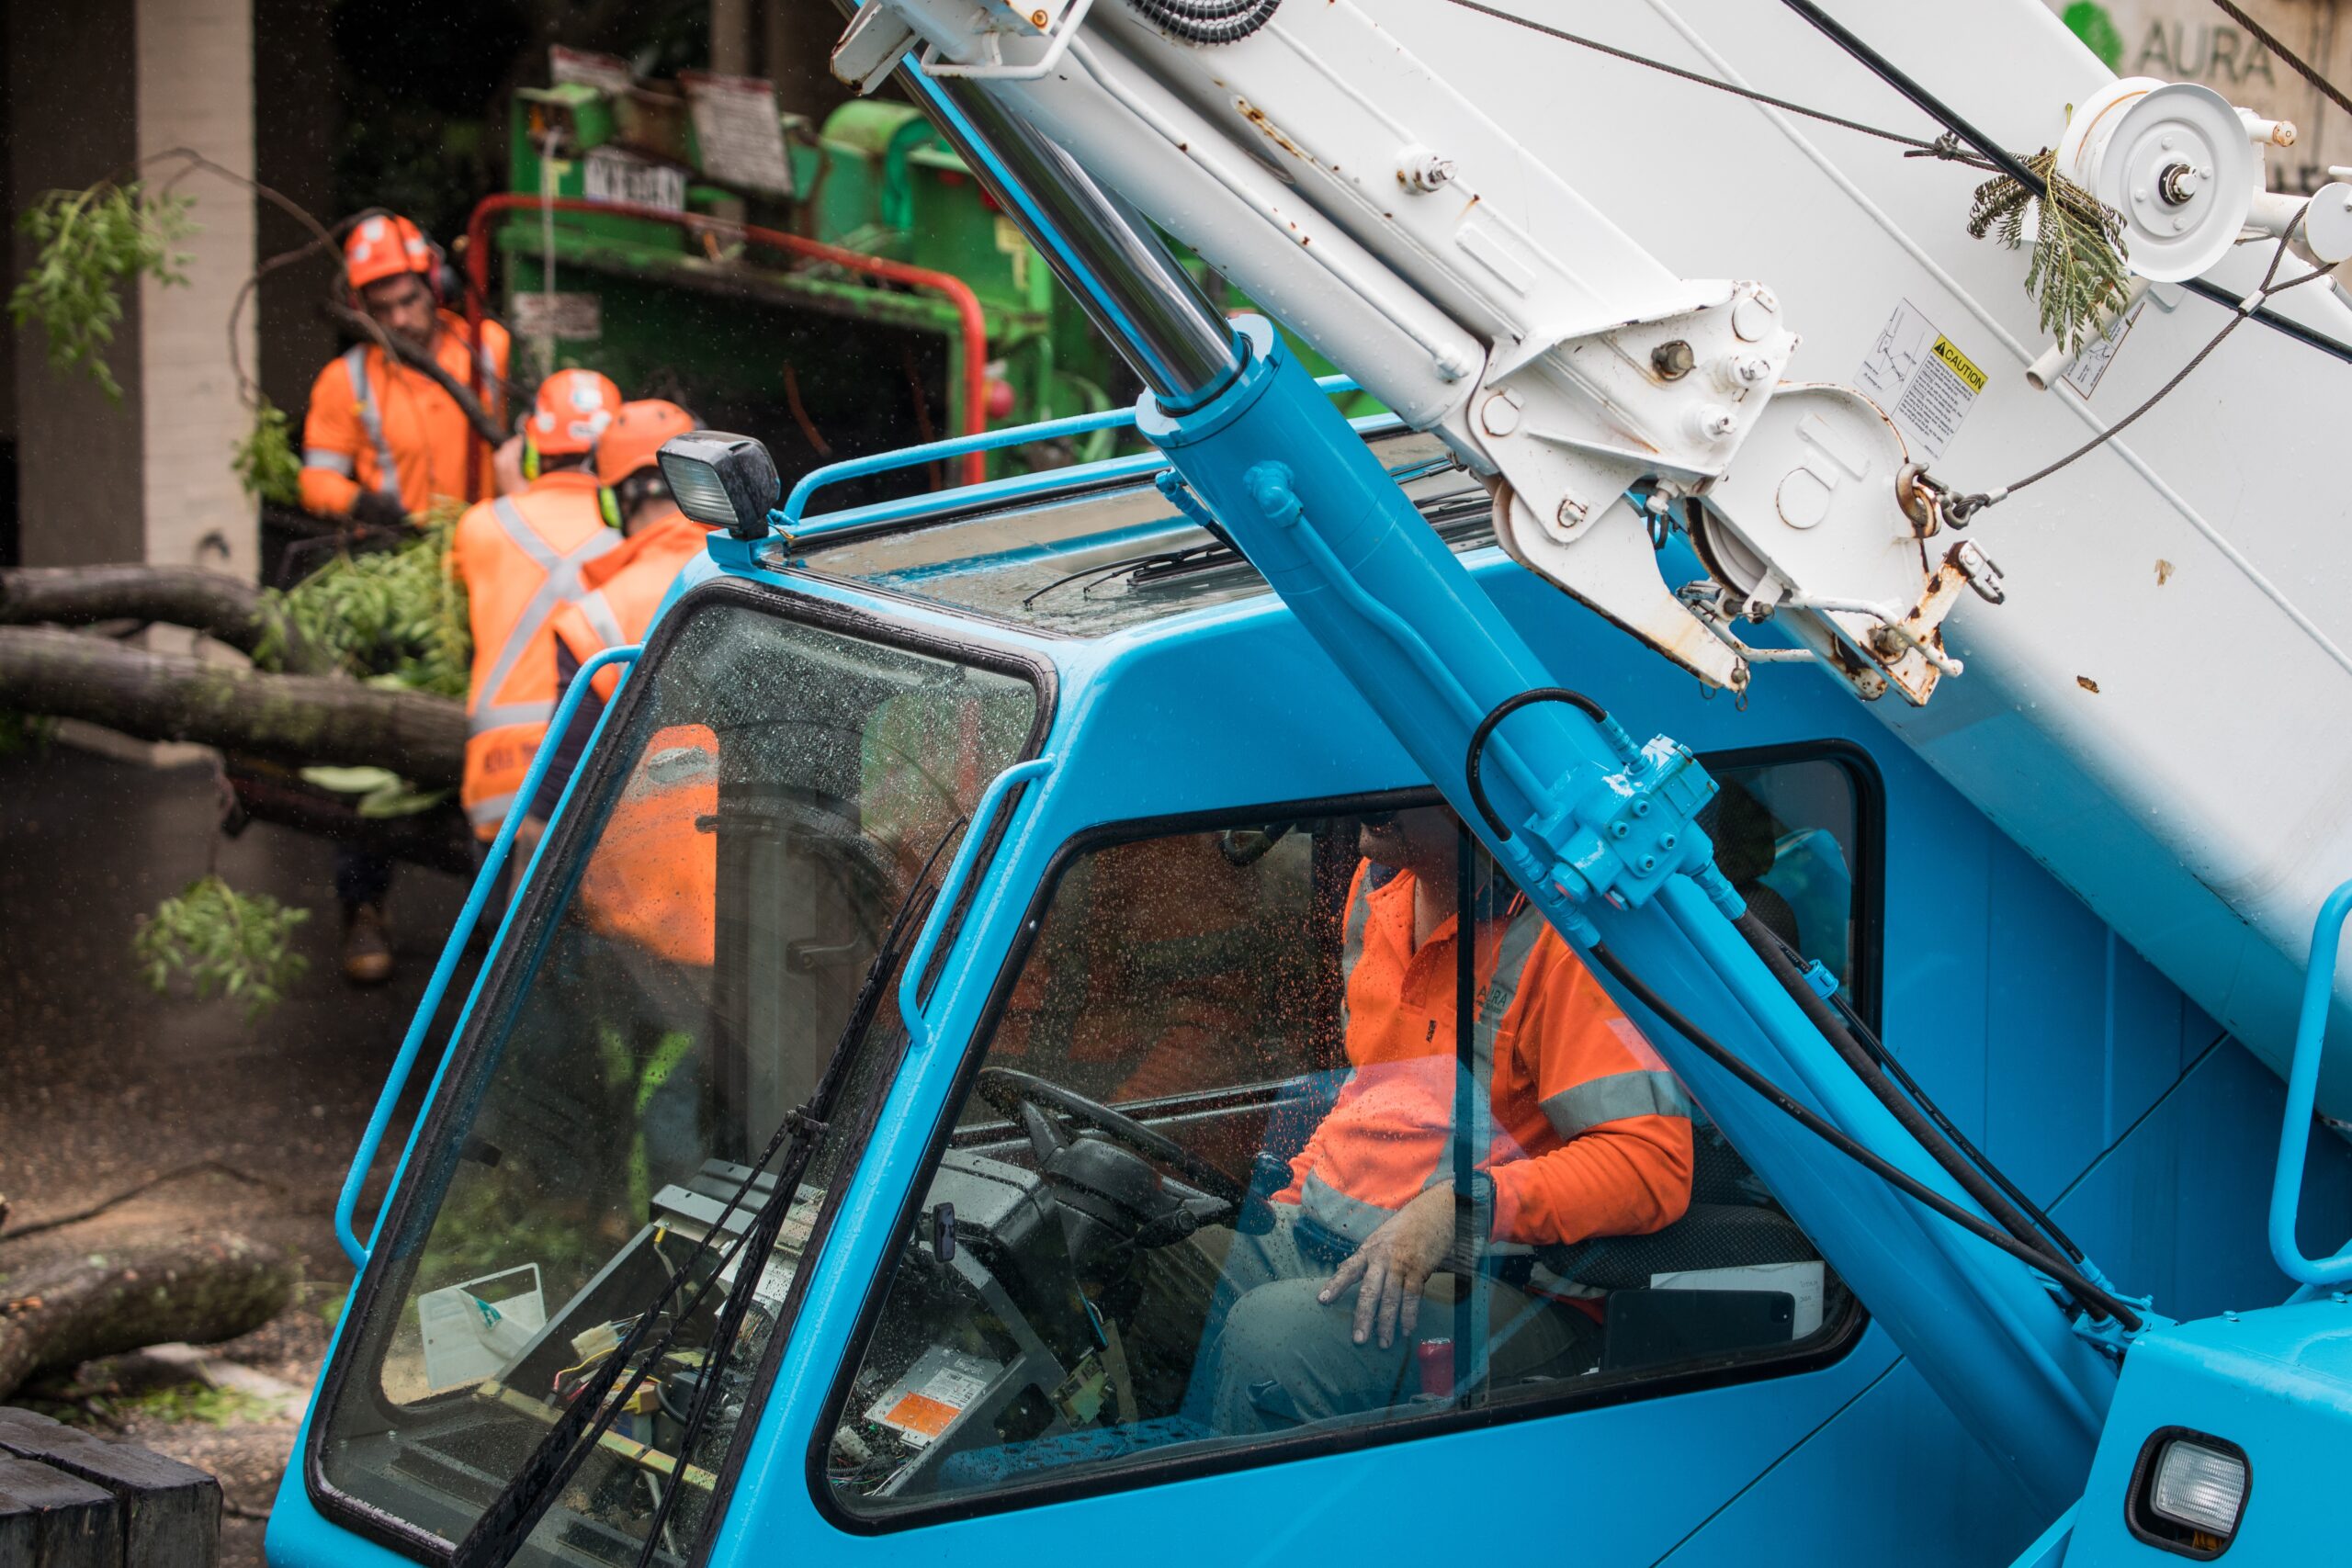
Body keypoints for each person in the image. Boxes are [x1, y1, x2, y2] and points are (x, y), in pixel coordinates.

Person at [1176, 804, 1695, 1433]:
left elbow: (1651, 1166)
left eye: (1405, 765)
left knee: (1271, 1339)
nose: (1372, 782)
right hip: (1336, 1235)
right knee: (1153, 1253)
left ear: (1469, 795)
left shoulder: (1561, 941)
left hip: (1495, 1281)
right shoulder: (1376, 892)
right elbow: (1371, 1092)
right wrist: (1284, 1201)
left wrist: (1460, 1208)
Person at [298, 211, 512, 982]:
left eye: (407, 301)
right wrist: (364, 505)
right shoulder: (344, 380)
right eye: (380, 307)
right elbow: (314, 475)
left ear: (435, 287)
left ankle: (491, 928)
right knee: (372, 742)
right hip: (390, 577)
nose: (397, 319)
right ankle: (362, 905)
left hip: (477, 571)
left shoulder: (488, 352)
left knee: (486, 741)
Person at [449, 367, 628, 853]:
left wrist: (513, 495)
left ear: (529, 448)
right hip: (586, 766)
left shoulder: (480, 525)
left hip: (498, 775)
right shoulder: (631, 536)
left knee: (495, 925)